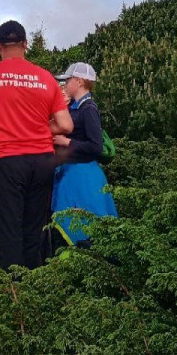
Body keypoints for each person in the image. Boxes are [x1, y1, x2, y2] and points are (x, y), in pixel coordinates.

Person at [0, 21, 73, 270]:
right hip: (42, 160)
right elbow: (66, 125)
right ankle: (36, 289)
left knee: (9, 230)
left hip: (7, 160)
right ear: (25, 44)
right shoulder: (46, 78)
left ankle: (14, 293)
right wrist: (34, 128)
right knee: (34, 228)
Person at [51, 63, 118, 248]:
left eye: (68, 80)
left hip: (83, 177)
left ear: (79, 81)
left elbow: (96, 146)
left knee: (86, 231)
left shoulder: (89, 109)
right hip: (73, 174)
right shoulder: (75, 108)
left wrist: (68, 143)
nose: (65, 85)